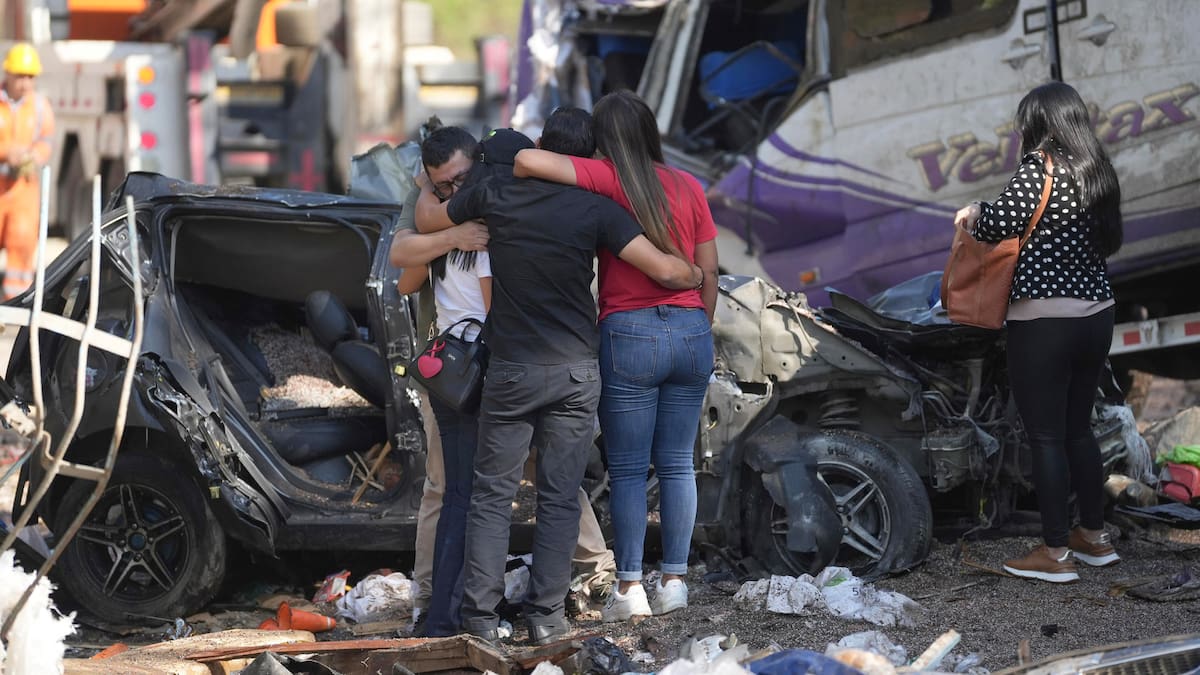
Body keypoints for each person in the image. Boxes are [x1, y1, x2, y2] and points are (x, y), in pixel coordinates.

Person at [421, 114, 702, 645]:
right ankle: (546, 617)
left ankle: (480, 621)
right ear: (585, 159)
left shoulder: (495, 195)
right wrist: (695, 275)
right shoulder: (598, 209)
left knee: (490, 497)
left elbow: (433, 220)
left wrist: (431, 188)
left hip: (511, 370)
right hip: (575, 371)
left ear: (545, 148)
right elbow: (664, 270)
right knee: (559, 496)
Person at [512, 91, 718, 620]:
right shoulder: (689, 185)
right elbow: (710, 271)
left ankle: (630, 590)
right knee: (678, 465)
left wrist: (585, 161)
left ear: (603, 141)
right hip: (692, 328)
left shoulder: (606, 178)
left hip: (629, 334)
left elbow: (526, 159)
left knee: (627, 471)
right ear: (651, 132)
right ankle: (675, 581)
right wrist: (698, 324)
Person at [953, 82, 1123, 583]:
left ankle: (1054, 553)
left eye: (1026, 123)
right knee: (1078, 430)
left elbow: (996, 225)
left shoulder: (1039, 170)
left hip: (1045, 321)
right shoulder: (1098, 171)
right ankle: (1093, 537)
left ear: (1041, 125)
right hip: (1097, 315)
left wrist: (973, 212)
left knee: (1045, 438)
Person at [388, 125, 488, 628]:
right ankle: (439, 601)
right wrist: (449, 236)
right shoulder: (440, 212)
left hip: (461, 370)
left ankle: (444, 606)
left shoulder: (491, 201)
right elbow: (402, 269)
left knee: (469, 491)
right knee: (454, 490)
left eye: (459, 180)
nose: (453, 191)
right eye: (441, 185)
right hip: (457, 371)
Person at [0, 43, 54, 300]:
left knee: (22, 245)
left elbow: (47, 140)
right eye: (20, 75)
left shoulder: (40, 107)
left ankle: (16, 305)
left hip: (23, 189)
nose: (24, 83)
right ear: (7, 74)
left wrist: (35, 156)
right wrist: (6, 152)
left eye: (29, 77)